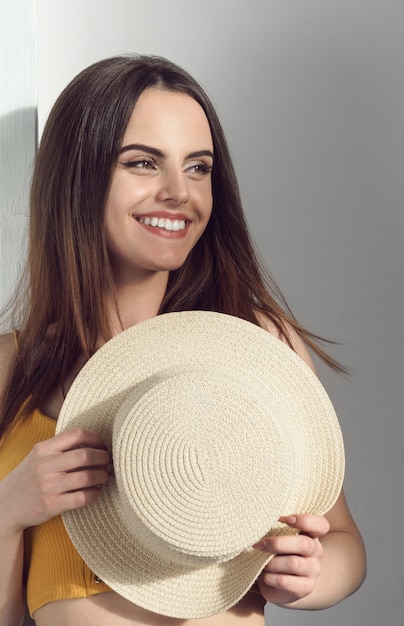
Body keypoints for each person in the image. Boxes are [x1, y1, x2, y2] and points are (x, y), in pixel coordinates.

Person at [0, 55, 366, 626]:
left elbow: (343, 543)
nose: (179, 192)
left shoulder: (256, 347)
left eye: (198, 168)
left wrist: (312, 574)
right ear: (78, 176)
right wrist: (7, 514)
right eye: (144, 163)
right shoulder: (11, 370)